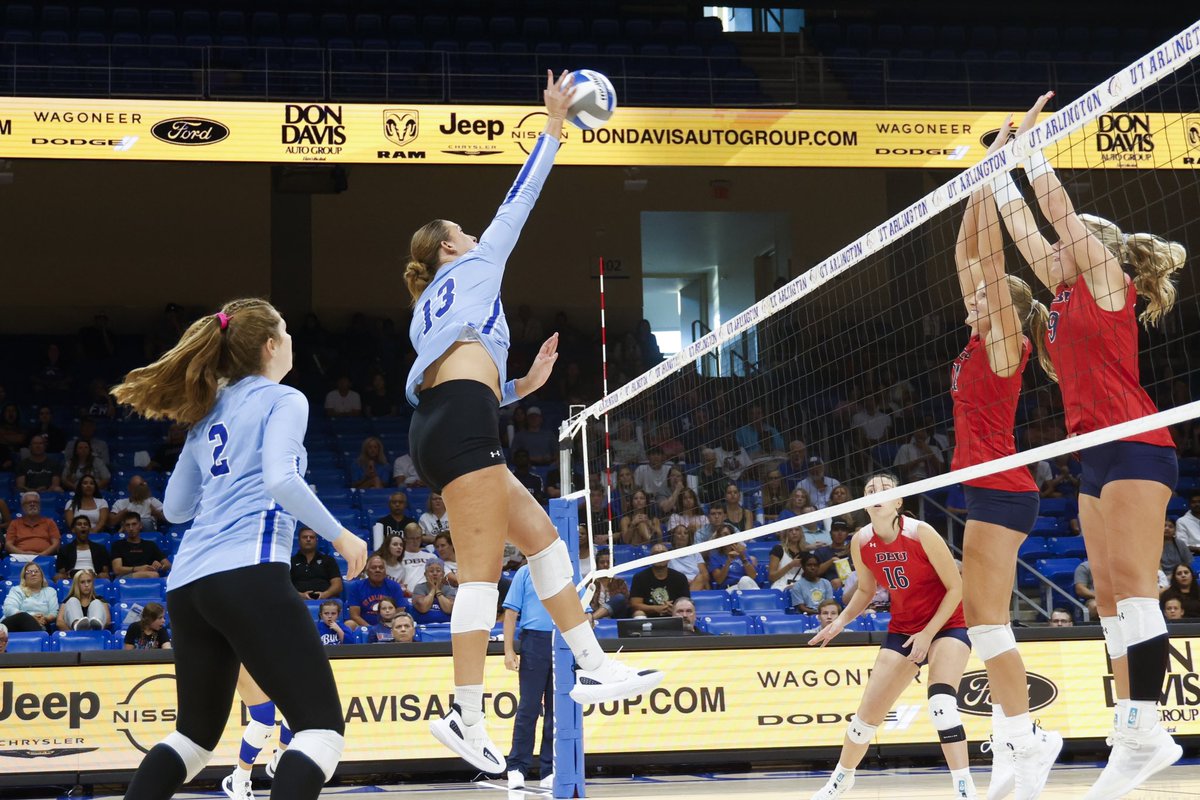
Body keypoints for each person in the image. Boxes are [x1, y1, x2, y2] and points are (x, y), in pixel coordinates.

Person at [401, 71, 660, 774]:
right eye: (462, 231)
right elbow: (522, 199)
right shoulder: (477, 264)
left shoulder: (433, 304)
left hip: (448, 419)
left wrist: (523, 385)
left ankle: (594, 666)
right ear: (449, 248)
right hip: (457, 427)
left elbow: (461, 377)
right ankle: (465, 715)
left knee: (546, 543)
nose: (475, 231)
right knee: (481, 578)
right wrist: (553, 124)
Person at [995, 92, 1187, 795]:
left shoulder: (1110, 284)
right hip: (1093, 455)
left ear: (1098, 249)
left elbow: (1058, 217)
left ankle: (1145, 728)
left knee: (1136, 589)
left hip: (1138, 445)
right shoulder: (1067, 292)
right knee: (1107, 598)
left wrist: (1031, 152)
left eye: (1074, 242)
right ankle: (1133, 730)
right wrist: (995, 171)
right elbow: (1028, 231)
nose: (1061, 251)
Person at [111, 298, 367, 800]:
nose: (292, 339)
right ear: (271, 345)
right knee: (320, 731)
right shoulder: (283, 398)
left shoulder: (208, 410)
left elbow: (177, 507)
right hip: (247, 570)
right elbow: (281, 480)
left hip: (188, 585)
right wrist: (341, 534)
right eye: (287, 331)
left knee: (192, 740)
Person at [949, 133, 1062, 799]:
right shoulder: (979, 333)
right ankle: (1016, 746)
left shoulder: (1006, 345)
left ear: (1005, 311)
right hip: (986, 492)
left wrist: (995, 183)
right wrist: (977, 181)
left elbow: (987, 262)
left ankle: (1028, 741)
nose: (973, 294)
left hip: (1002, 492)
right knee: (989, 626)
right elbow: (970, 255)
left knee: (989, 625)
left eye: (985, 295)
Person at [808, 473, 975, 800]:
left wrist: (928, 634)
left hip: (947, 625)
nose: (875, 493)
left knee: (941, 705)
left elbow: (957, 587)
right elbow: (867, 590)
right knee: (864, 719)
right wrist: (840, 622)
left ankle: (964, 787)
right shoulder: (860, 541)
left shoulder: (920, 533)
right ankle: (842, 779)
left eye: (884, 489)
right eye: (870, 489)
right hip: (903, 628)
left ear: (899, 501)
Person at [502, 564, 556, 790]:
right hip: (534, 641)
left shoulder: (567, 569)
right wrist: (508, 650)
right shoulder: (525, 572)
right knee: (528, 707)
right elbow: (511, 612)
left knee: (557, 710)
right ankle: (516, 767)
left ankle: (550, 770)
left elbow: (583, 611)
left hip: (562, 641)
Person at [345, 555, 406, 630]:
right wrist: (371, 629)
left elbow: (400, 612)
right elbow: (354, 615)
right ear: (367, 571)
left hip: (390, 625)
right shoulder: (356, 586)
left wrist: (388, 627)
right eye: (373, 567)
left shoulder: (395, 586)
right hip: (364, 627)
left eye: (381, 567)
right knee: (349, 624)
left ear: (385, 571)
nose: (378, 570)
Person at [629, 543, 691, 617]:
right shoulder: (639, 577)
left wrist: (673, 609)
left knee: (685, 613)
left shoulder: (680, 578)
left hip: (674, 615)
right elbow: (635, 605)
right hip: (647, 617)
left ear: (669, 558)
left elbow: (686, 603)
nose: (659, 556)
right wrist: (656, 608)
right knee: (638, 613)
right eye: (656, 554)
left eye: (663, 553)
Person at [111, 512, 171, 578]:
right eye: (128, 525)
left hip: (149, 576)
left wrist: (160, 566)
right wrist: (138, 569)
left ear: (140, 525)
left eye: (134, 524)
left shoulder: (150, 545)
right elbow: (117, 570)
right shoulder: (117, 545)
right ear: (124, 527)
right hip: (125, 579)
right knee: (153, 575)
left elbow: (167, 564)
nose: (131, 528)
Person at [2, 562, 59, 632]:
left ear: (42, 576)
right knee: (23, 616)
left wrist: (44, 618)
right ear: (24, 577)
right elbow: (8, 609)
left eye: (36, 571)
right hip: (14, 625)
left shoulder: (50, 591)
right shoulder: (16, 590)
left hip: (40, 624)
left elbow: (53, 613)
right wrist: (32, 617)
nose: (33, 574)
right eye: (28, 572)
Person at [290, 528, 344, 601]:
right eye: (305, 537)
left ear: (316, 541)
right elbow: (284, 586)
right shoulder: (290, 561)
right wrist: (300, 595)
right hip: (297, 601)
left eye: (312, 537)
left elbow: (338, 585)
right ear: (299, 541)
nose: (308, 539)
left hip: (326, 602)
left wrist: (325, 595)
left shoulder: (328, 560)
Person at [6, 492, 61, 560]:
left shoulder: (49, 522)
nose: (32, 504)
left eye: (35, 502)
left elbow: (56, 543)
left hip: (45, 557)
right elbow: (8, 545)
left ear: (40, 505)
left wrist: (42, 554)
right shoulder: (14, 523)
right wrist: (22, 554)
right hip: (20, 557)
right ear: (23, 507)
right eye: (28, 502)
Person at [667, 525, 709, 592]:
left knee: (701, 578)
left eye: (685, 533)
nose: (683, 535)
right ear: (673, 537)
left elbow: (705, 575)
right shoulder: (667, 555)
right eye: (679, 533)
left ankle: (687, 598)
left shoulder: (696, 554)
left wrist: (709, 591)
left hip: (697, 585)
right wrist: (685, 581)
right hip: (677, 587)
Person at [1173, 490, 1200, 555]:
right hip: (1195, 556)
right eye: (1193, 502)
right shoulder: (1182, 521)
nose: (1197, 504)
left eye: (1199, 502)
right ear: (1189, 504)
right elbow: (1182, 546)